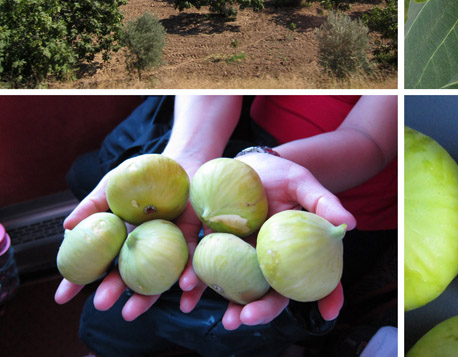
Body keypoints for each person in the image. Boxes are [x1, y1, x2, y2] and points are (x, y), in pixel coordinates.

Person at [54, 95, 397, 357]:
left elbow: (371, 140)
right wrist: (187, 154)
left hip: (334, 190)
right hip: (238, 126)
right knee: (84, 173)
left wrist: (268, 161)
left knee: (112, 329)